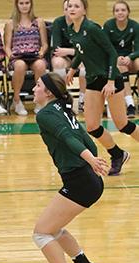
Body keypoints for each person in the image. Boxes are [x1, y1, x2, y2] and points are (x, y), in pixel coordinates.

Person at [33, 72, 108, 263]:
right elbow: (86, 139)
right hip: (88, 180)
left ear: (48, 92)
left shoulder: (45, 114)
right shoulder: (63, 110)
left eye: (37, 85)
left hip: (80, 180)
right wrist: (92, 158)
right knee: (54, 228)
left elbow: (68, 138)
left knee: (41, 233)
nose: (33, 89)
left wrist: (90, 160)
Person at [66, 0, 139, 176]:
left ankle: (119, 153)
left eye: (77, 6)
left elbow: (112, 53)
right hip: (93, 80)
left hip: (110, 78)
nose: (72, 9)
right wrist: (73, 68)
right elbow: (80, 51)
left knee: (122, 124)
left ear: (84, 10)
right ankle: (118, 154)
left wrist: (111, 81)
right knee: (91, 126)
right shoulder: (71, 29)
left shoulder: (92, 28)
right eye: (69, 6)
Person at [4, 0, 48, 115]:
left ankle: (40, 101)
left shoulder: (39, 22)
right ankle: (17, 99)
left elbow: (45, 44)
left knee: (40, 65)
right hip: (18, 57)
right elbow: (7, 47)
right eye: (21, 3)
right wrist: (11, 56)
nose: (24, 6)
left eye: (27, 3)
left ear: (31, 4)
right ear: (17, 5)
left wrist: (41, 53)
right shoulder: (10, 23)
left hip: (34, 55)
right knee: (20, 65)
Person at [103, 0, 139, 118]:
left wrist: (130, 57)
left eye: (123, 10)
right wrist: (116, 57)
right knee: (121, 66)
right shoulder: (108, 25)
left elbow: (138, 49)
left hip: (130, 57)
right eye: (117, 10)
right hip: (115, 59)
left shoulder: (135, 26)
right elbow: (105, 48)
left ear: (128, 12)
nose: (120, 13)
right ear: (114, 13)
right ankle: (130, 105)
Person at [51, 0, 86, 112]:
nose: (71, 10)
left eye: (75, 7)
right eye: (67, 8)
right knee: (57, 62)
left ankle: (83, 99)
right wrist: (71, 52)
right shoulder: (58, 22)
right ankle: (62, 96)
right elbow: (56, 48)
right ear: (64, 11)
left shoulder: (85, 24)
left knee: (85, 64)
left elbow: (86, 50)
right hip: (64, 57)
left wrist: (69, 51)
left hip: (78, 56)